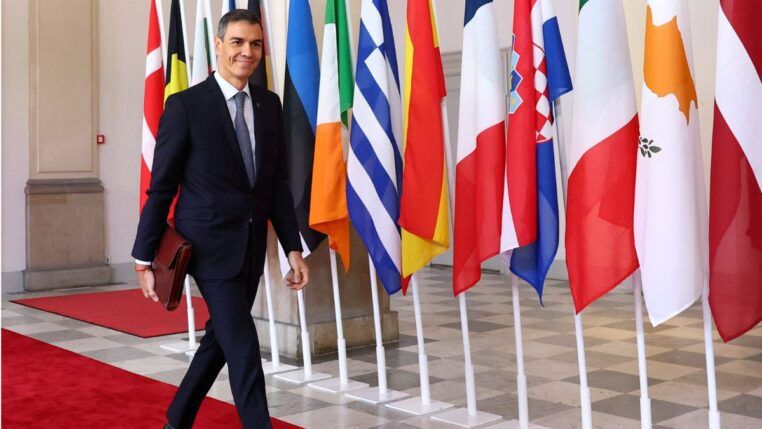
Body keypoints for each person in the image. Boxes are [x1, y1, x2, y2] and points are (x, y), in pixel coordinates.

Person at [131, 9, 308, 429]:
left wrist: (293, 248)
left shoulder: (269, 105)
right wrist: (143, 257)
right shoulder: (186, 106)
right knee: (243, 348)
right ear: (218, 45)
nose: (247, 52)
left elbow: (276, 185)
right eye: (237, 42)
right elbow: (161, 188)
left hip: (251, 250)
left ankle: (176, 419)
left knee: (219, 340)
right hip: (208, 251)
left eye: (255, 44)